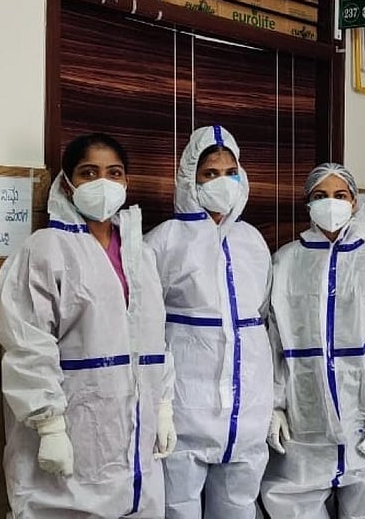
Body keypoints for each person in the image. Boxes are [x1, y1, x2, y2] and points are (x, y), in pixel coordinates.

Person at [0, 133, 176, 519]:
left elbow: (154, 337)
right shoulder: (45, 249)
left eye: (114, 172)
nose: (103, 182)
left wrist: (162, 405)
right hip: (69, 425)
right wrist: (49, 425)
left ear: (126, 182)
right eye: (89, 172)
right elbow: (27, 342)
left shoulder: (139, 254)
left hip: (133, 432)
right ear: (68, 183)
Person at [261, 163, 365, 519]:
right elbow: (274, 339)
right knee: (294, 505)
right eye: (320, 196)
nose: (331, 203)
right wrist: (275, 404)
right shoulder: (285, 261)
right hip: (304, 419)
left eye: (340, 195)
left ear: (355, 202)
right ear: (307, 205)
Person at [145, 125, 273, 519]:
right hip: (185, 414)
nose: (222, 181)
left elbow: (264, 322)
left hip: (248, 414)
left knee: (239, 508)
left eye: (230, 172)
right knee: (178, 509)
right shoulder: (164, 241)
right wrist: (162, 405)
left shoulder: (252, 242)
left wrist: (272, 406)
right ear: (190, 178)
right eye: (209, 173)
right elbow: (147, 331)